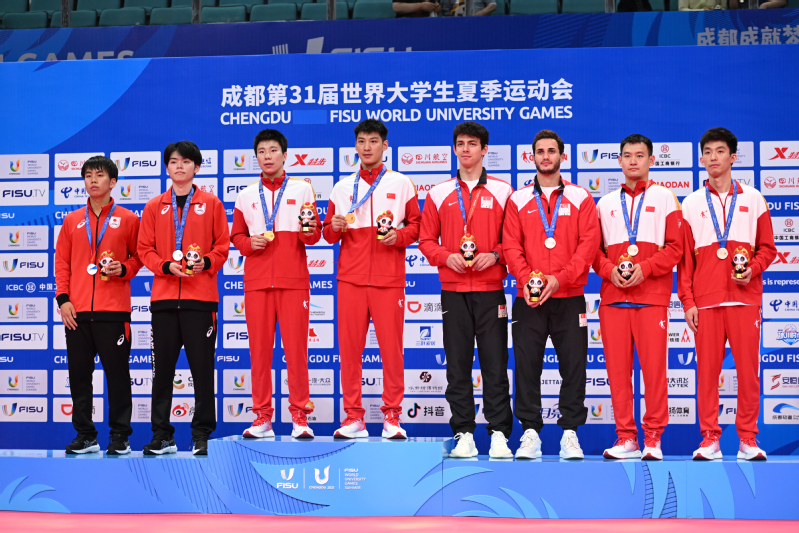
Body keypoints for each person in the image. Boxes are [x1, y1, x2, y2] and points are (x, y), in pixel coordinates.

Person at [678, 127, 776, 461]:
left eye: (720, 151)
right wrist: (688, 302)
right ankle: (710, 439)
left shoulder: (754, 198)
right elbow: (685, 261)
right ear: (701, 158)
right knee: (707, 375)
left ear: (733, 157)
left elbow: (768, 248)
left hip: (744, 299)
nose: (713, 157)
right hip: (706, 302)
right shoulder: (691, 203)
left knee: (748, 373)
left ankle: (748, 439)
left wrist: (754, 268)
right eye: (707, 152)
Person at [503, 130, 600, 460]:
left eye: (551, 151)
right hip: (528, 299)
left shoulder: (580, 197)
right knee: (526, 366)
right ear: (532, 157)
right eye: (540, 151)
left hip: (569, 296)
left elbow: (588, 246)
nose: (546, 156)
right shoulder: (518, 199)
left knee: (574, 366)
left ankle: (570, 433)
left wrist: (559, 280)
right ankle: (530, 432)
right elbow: (511, 246)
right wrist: (528, 279)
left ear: (562, 156)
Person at [419, 121, 514, 458]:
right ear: (454, 148)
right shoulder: (439, 193)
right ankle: (463, 433)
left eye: (472, 143)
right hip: (454, 290)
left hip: (490, 290)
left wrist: (496, 255)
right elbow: (426, 240)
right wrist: (446, 257)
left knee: (495, 365)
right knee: (457, 366)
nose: (465, 149)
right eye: (460, 143)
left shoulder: (503, 191)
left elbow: (514, 240)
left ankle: (499, 434)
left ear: (485, 149)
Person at [323, 119, 421, 439]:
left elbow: (417, 226)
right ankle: (354, 417)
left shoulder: (401, 183)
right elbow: (327, 234)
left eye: (374, 141)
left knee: (392, 351)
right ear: (355, 146)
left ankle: (392, 416)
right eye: (362, 141)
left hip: (387, 279)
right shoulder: (341, 187)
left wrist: (399, 237)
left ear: (385, 145)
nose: (367, 147)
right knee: (350, 352)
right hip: (350, 279)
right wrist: (334, 226)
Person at [593, 134, 683, 461]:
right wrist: (608, 271)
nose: (633, 161)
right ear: (619, 161)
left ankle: (653, 438)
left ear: (651, 160)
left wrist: (646, 268)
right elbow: (594, 252)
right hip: (613, 299)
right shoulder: (604, 203)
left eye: (640, 155)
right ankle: (626, 438)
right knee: (618, 374)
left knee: (654, 372)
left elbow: (675, 248)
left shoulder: (666, 198)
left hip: (652, 298)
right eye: (628, 156)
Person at [138, 141, 230, 456]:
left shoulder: (212, 204)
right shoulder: (154, 206)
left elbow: (222, 247)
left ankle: (201, 434)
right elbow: (144, 249)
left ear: (197, 167)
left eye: (186, 161)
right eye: (174, 161)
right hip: (163, 301)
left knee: (202, 372)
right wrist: (165, 266)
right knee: (161, 372)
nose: (179, 166)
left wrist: (207, 262)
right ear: (167, 167)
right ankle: (162, 435)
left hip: (200, 301)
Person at [230, 129, 319, 439]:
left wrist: (309, 230)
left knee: (296, 352)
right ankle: (262, 418)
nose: (267, 156)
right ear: (256, 156)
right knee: (259, 353)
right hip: (257, 283)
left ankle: (300, 417)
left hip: (293, 281)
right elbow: (236, 236)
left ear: (285, 154)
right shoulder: (245, 195)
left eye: (272, 150)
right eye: (261, 151)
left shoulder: (302, 189)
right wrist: (248, 243)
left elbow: (313, 234)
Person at [55, 156, 142, 455]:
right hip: (77, 312)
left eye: (100, 175)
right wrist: (63, 299)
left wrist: (124, 268)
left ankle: (120, 436)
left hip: (113, 311)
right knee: (79, 377)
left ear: (113, 181)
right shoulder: (71, 220)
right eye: (88, 175)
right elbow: (62, 263)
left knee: (117, 377)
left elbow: (139, 257)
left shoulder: (129, 219)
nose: (93, 180)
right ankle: (86, 436)